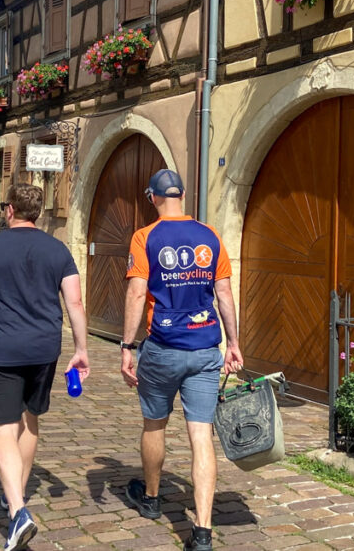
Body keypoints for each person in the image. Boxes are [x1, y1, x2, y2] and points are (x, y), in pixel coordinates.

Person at [0, 184, 89, 551]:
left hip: (4, 350)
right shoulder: (58, 249)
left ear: (10, 210)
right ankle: (17, 493)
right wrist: (81, 349)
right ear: (40, 212)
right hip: (46, 348)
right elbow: (75, 304)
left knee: (3, 428)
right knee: (31, 418)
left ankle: (17, 509)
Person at [120, 169, 244, 551]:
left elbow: (137, 294)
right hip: (206, 348)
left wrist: (126, 345)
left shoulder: (146, 237)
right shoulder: (210, 236)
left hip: (163, 347)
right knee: (201, 435)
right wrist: (234, 343)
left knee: (155, 424)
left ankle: (153, 498)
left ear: (152, 197)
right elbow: (224, 294)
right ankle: (202, 532)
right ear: (183, 194)